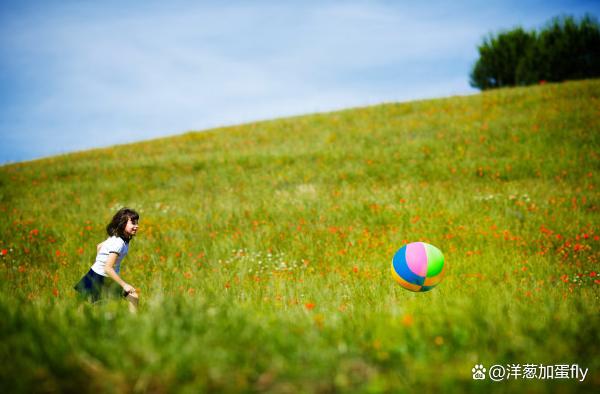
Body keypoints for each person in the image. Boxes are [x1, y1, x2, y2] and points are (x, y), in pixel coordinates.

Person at [74, 208, 140, 313]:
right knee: (87, 308)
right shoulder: (118, 243)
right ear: (123, 224)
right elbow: (108, 268)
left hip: (102, 276)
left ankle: (133, 324)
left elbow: (99, 246)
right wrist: (125, 285)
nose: (136, 226)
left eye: (137, 223)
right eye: (133, 223)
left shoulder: (120, 238)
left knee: (132, 297)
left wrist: (99, 262)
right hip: (98, 278)